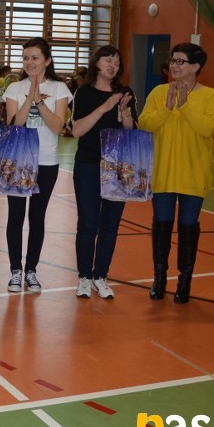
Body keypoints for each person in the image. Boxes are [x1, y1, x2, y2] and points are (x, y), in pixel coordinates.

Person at [139, 42, 214, 304]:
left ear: (195, 66)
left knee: (188, 227)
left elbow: (207, 128)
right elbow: (145, 124)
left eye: (180, 61)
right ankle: (159, 278)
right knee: (162, 225)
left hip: (193, 174)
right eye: (173, 60)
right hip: (162, 173)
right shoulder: (159, 92)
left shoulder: (209, 96)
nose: (174, 65)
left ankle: (185, 281)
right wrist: (167, 107)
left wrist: (184, 105)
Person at [3, 37, 73, 293]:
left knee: (37, 217)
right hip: (18, 161)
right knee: (15, 216)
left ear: (47, 60)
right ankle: (15, 270)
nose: (29, 62)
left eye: (34, 57)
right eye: (25, 58)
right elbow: (15, 124)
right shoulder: (14, 88)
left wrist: (40, 101)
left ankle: (31, 270)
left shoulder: (59, 88)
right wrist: (29, 97)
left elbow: (57, 127)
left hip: (46, 162)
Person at [70, 46, 137, 299]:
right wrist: (104, 107)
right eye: (108, 60)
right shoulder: (84, 92)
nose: (113, 65)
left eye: (117, 62)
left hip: (117, 167)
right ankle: (84, 277)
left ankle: (101, 276)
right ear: (96, 63)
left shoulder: (125, 93)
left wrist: (125, 114)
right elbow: (77, 130)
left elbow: (131, 132)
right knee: (88, 223)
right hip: (88, 165)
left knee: (110, 224)